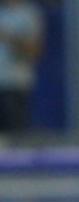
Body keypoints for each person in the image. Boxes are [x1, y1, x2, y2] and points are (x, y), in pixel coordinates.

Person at [0, 0, 42, 136]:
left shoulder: (29, 14)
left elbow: (34, 52)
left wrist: (8, 37)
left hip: (15, 84)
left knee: (15, 136)